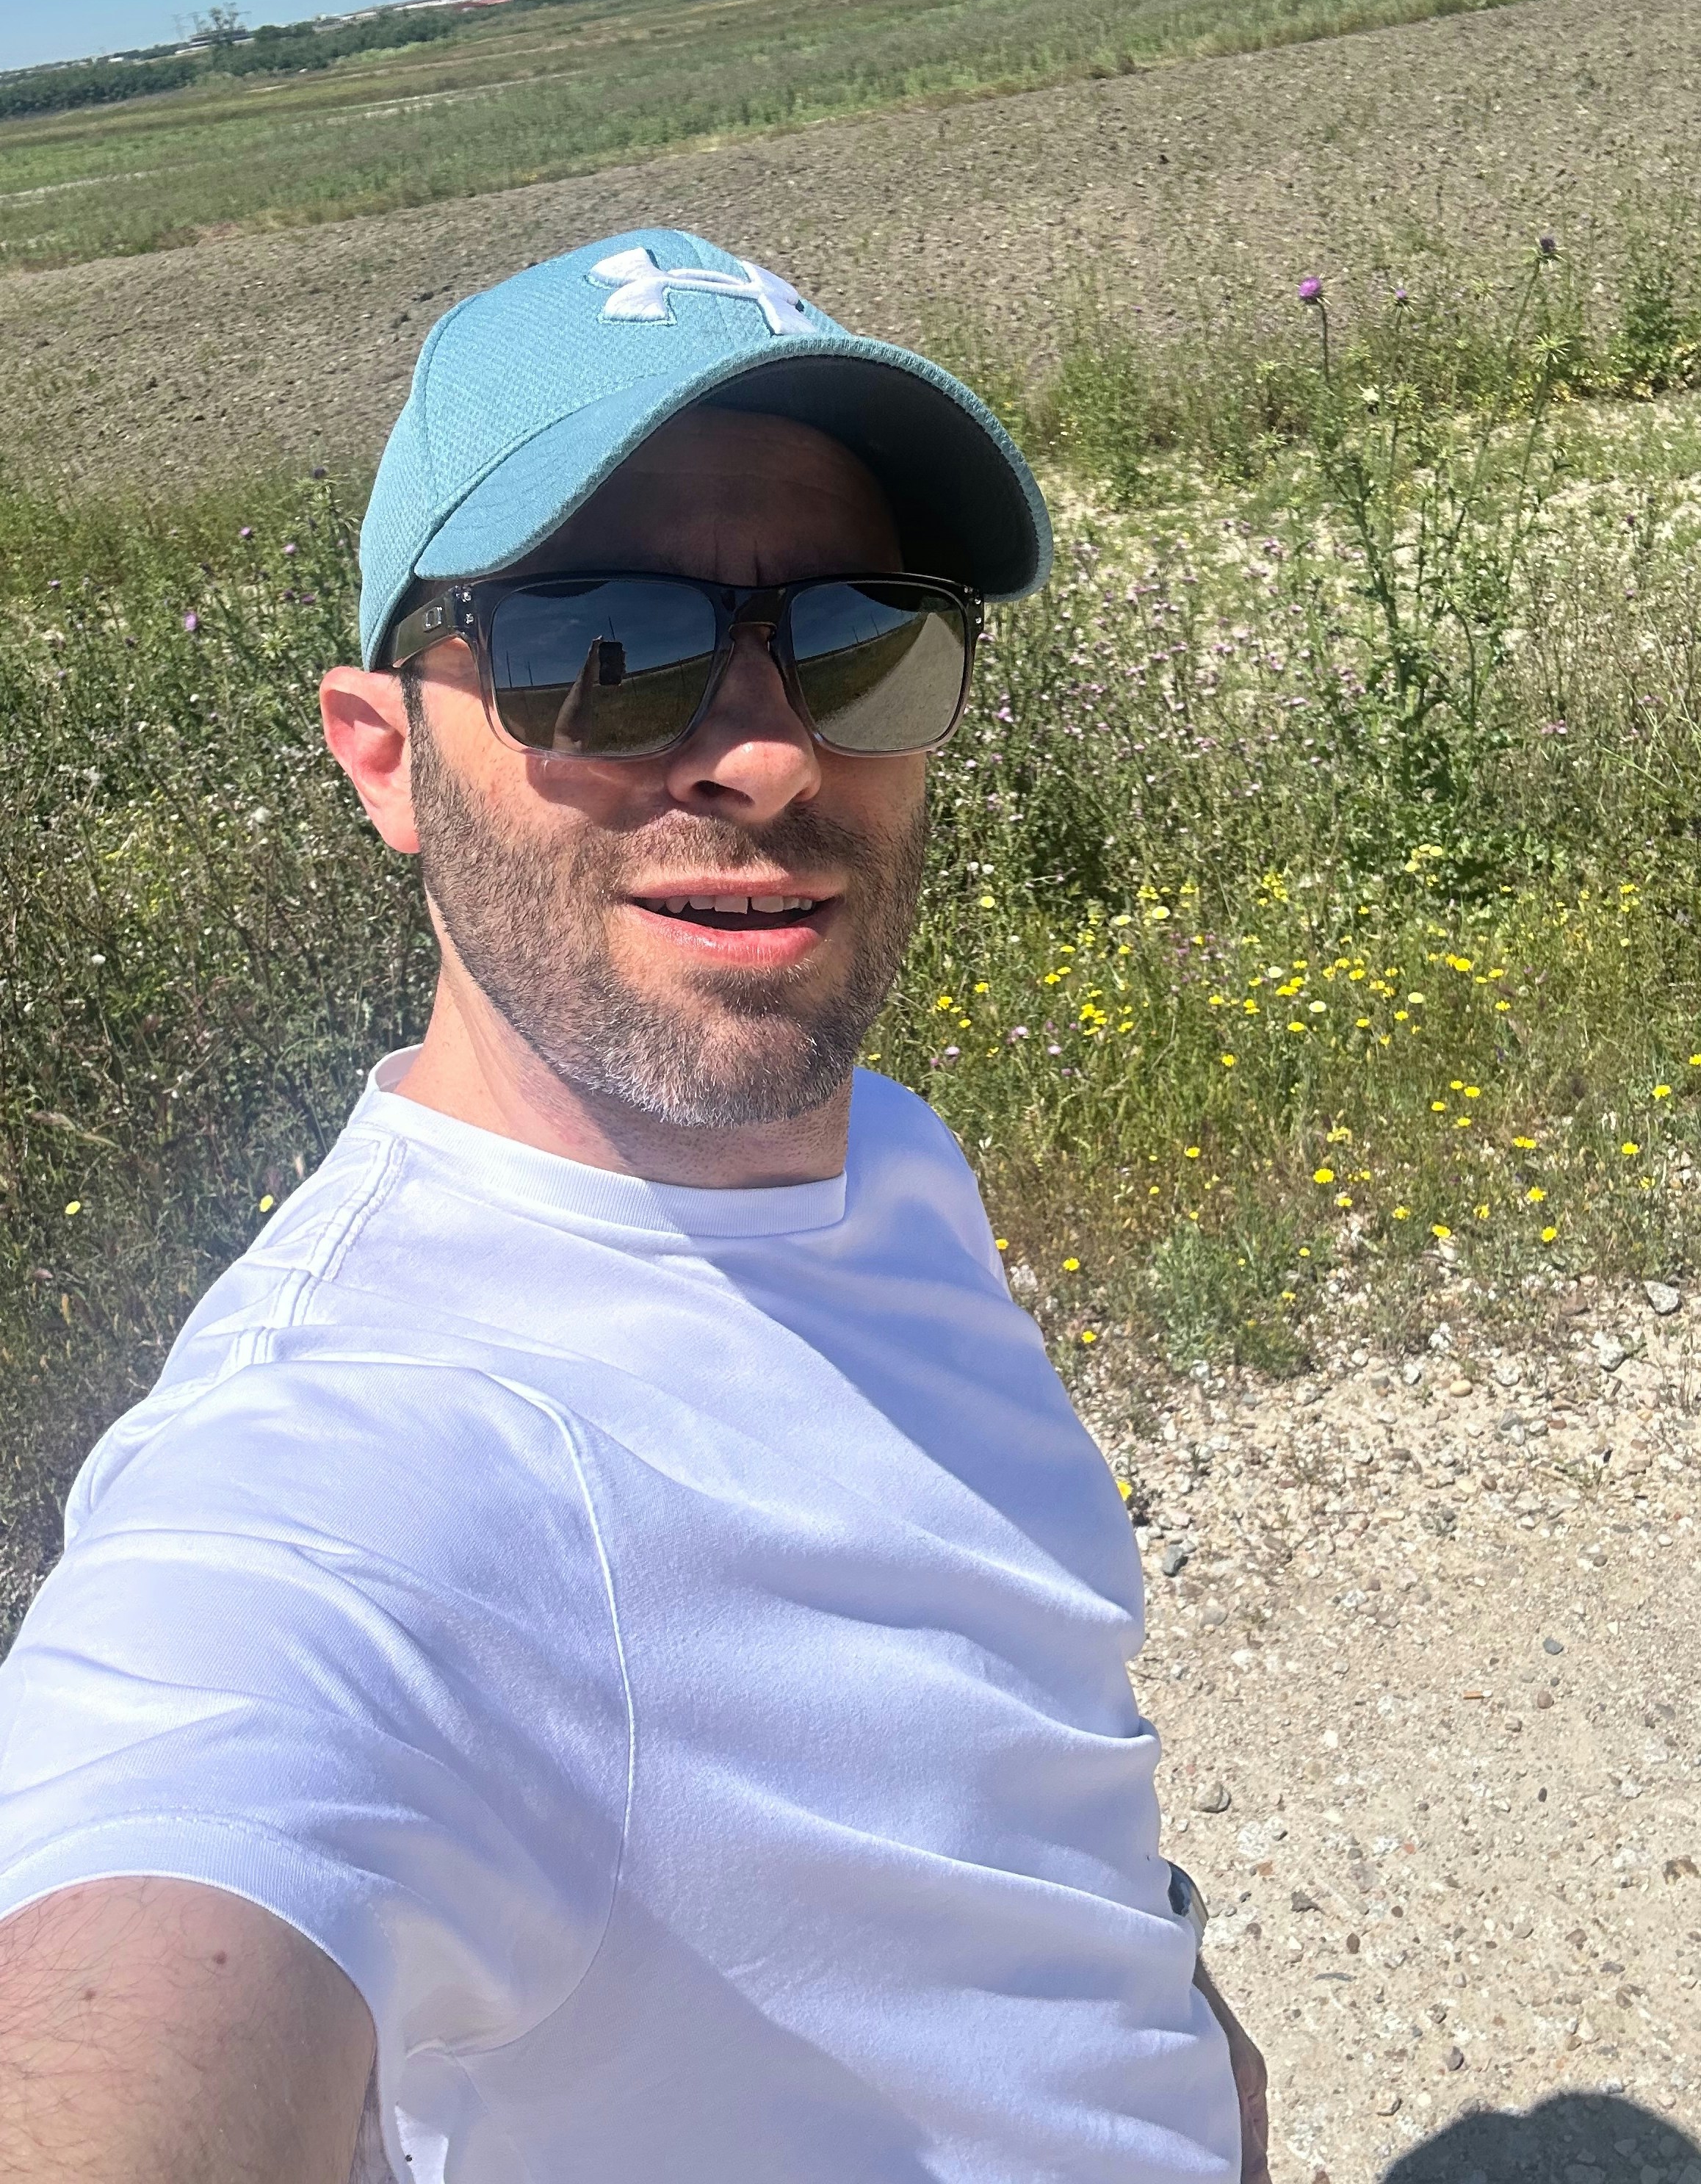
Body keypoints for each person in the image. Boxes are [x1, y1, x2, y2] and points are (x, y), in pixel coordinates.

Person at [0, 228, 1269, 2183]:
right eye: (600, 654)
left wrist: (1165, 2005)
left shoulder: (884, 1163)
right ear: (384, 760)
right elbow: (162, 1919)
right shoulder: (367, 1462)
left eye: (862, 640)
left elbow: (984, 1761)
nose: (766, 753)